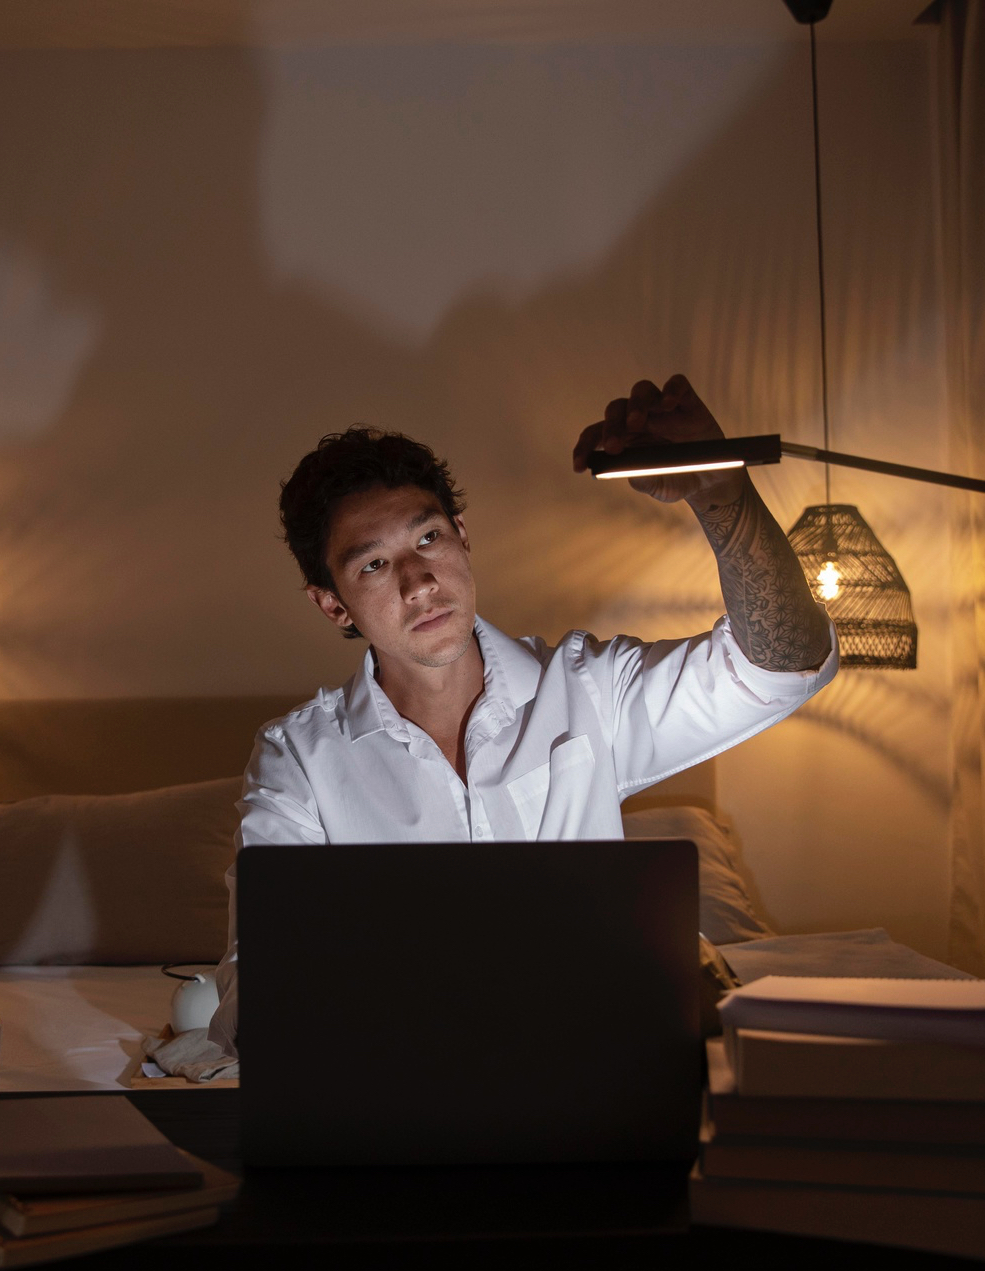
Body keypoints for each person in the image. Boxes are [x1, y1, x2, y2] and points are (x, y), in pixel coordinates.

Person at [207, 374, 836, 1056]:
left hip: (598, 1076)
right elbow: (262, 976)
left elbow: (784, 663)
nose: (419, 582)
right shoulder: (299, 760)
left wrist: (722, 492)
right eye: (374, 565)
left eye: (427, 539)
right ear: (332, 604)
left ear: (463, 537)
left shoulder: (587, 690)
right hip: (404, 1090)